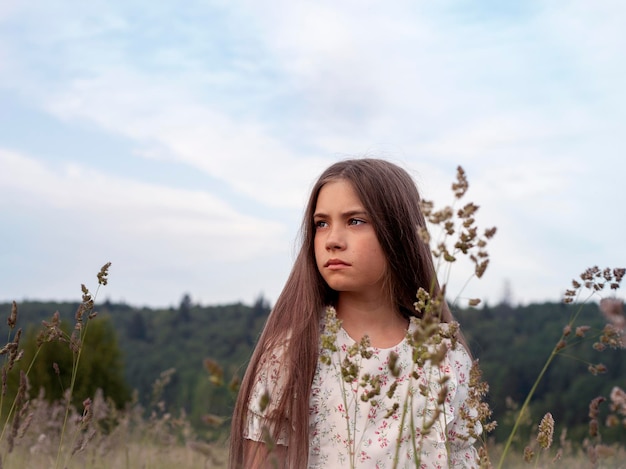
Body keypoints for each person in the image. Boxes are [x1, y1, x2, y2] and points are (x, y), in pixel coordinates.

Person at [229, 158, 482, 468]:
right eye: (321, 223)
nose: (332, 240)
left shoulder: (443, 356)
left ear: (398, 231)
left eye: (355, 221)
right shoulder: (293, 353)